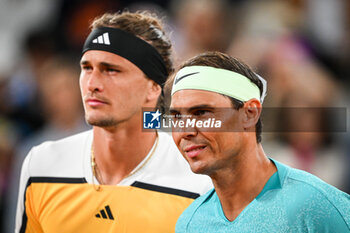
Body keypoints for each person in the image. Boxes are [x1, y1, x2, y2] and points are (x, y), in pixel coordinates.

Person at [15, 11, 212, 233]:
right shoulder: (42, 164)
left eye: (111, 70)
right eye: (87, 68)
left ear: (153, 88)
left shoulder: (199, 182)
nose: (92, 84)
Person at [168, 51, 350, 232]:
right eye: (176, 117)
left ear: (250, 113)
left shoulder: (316, 205)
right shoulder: (190, 223)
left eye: (201, 113)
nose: (186, 131)